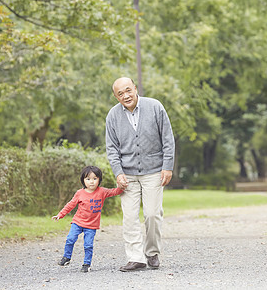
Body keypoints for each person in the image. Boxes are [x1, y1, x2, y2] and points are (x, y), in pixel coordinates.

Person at [105, 77, 175, 272]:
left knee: (152, 214)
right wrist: (118, 173)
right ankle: (135, 257)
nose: (126, 96)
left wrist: (167, 166)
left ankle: (152, 252)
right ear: (116, 96)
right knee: (129, 217)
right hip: (127, 174)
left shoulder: (155, 107)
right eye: (120, 93)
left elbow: (168, 139)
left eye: (128, 90)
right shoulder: (112, 116)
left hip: (154, 170)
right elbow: (111, 148)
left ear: (135, 89)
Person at [52, 165, 124, 273]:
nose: (91, 182)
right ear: (83, 180)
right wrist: (60, 215)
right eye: (88, 179)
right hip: (78, 222)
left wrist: (122, 186)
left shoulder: (102, 192)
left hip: (91, 225)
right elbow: (70, 205)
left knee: (88, 245)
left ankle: (86, 264)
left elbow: (115, 192)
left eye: (95, 179)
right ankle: (66, 257)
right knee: (70, 239)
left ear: (99, 180)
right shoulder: (79, 193)